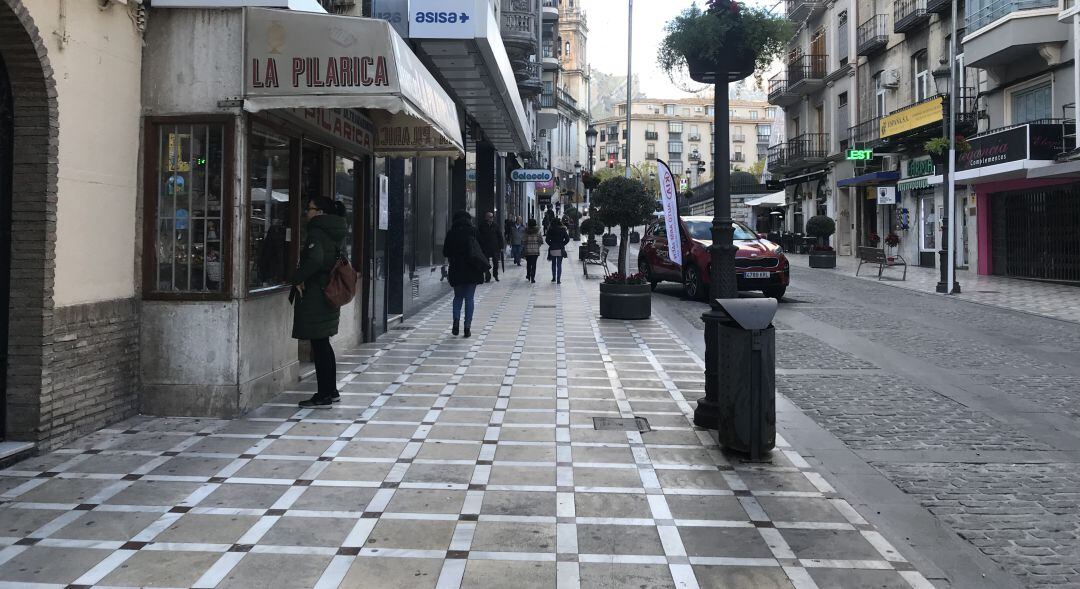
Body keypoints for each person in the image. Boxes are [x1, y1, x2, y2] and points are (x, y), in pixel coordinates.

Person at [292, 197, 349, 408]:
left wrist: (297, 277)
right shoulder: (335, 231)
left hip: (317, 294)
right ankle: (331, 391)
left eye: (310, 208)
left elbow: (314, 260)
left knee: (320, 345)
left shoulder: (317, 232)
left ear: (321, 212)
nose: (307, 212)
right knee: (324, 344)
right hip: (328, 292)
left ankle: (324, 394)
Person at [443, 211, 485, 338]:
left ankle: (456, 320)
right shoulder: (473, 231)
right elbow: (481, 248)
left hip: (456, 268)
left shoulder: (451, 233)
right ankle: (467, 327)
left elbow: (445, 252)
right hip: (472, 268)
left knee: (458, 297)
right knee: (469, 298)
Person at [477, 211, 504, 282]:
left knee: (496, 263)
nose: (492, 218)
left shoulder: (496, 225)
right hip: (485, 247)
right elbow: (478, 236)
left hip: (495, 247)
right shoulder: (482, 225)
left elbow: (500, 236)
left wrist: (501, 246)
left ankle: (495, 275)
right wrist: (481, 245)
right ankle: (487, 276)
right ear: (486, 217)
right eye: (490, 217)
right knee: (486, 263)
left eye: (492, 217)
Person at [546, 217, 570, 284]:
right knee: (559, 264)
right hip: (560, 248)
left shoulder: (550, 230)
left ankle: (554, 278)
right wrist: (562, 244)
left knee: (553, 263)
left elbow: (547, 240)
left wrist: (551, 244)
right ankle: (558, 280)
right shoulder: (563, 230)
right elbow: (567, 239)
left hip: (553, 248)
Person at [522, 219, 543, 283]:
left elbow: (524, 240)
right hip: (535, 250)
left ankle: (528, 275)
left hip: (528, 250)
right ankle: (532, 277)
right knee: (534, 264)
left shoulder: (526, 231)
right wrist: (538, 245)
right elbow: (541, 241)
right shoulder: (538, 231)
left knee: (528, 263)